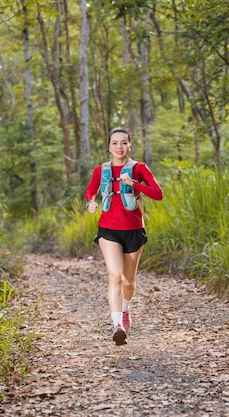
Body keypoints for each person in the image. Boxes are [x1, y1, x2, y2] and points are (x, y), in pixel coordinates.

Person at [85, 127, 163, 345]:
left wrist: (134, 184)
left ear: (130, 145)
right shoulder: (101, 170)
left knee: (129, 282)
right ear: (109, 147)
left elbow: (158, 193)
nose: (119, 147)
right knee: (115, 276)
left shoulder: (139, 168)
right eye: (114, 143)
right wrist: (90, 202)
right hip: (108, 229)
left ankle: (125, 311)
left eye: (123, 143)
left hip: (134, 229)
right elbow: (90, 191)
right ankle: (117, 324)